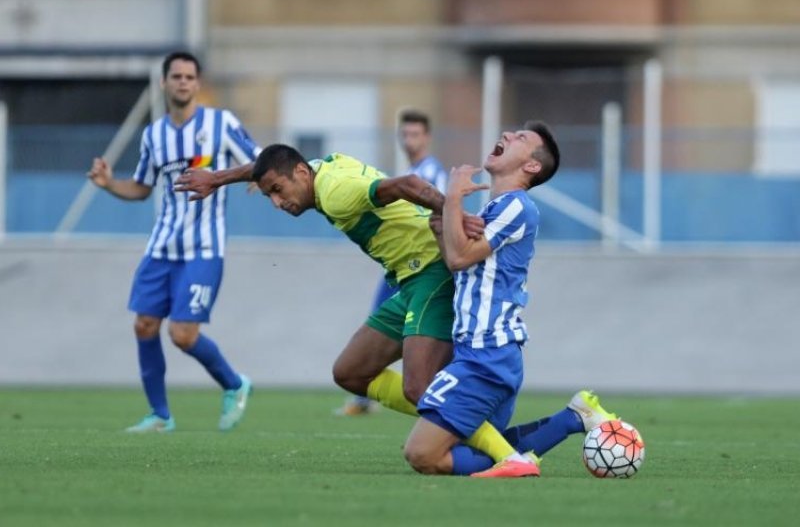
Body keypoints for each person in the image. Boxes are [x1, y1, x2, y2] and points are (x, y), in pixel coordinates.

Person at [174, 144, 532, 470]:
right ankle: (483, 431)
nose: (277, 203)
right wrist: (218, 179)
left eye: (278, 192)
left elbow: (407, 183)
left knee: (418, 386)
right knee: (351, 372)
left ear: (301, 174)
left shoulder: (335, 193)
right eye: (269, 195)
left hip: (431, 272)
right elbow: (267, 164)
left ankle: (505, 454)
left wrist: (453, 211)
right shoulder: (315, 169)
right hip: (409, 280)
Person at [403, 121, 618, 477]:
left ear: (531, 166)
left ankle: (518, 460)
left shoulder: (517, 206)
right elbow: (461, 267)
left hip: (486, 356)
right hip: (485, 354)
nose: (506, 135)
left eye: (520, 138)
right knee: (481, 444)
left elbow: (459, 258)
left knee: (422, 454)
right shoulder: (496, 209)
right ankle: (572, 418)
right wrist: (443, 227)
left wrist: (453, 197)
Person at [87, 51, 256, 433]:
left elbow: (259, 159)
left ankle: (234, 383)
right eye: (176, 76)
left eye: (189, 76)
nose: (183, 82)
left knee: (182, 334)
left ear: (197, 84)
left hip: (204, 250)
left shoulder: (221, 123)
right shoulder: (154, 135)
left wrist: (253, 177)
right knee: (144, 326)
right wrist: (109, 184)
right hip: (161, 248)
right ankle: (161, 416)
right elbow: (142, 188)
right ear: (164, 83)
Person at [336, 109, 448, 417]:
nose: (409, 141)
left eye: (415, 135)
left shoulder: (430, 174)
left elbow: (437, 213)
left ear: (427, 137)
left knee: (415, 337)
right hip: (401, 266)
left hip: (421, 267)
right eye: (405, 134)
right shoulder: (411, 169)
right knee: (381, 324)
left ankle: (445, 409)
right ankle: (368, 396)